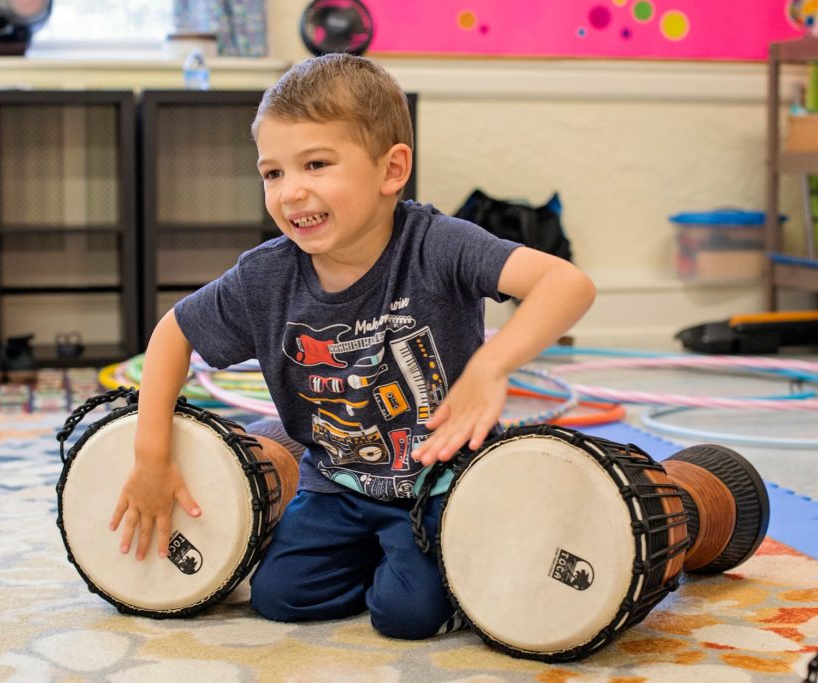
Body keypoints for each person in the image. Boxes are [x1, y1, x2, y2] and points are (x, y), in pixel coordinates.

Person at [110, 53, 596, 640]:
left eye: (316, 164)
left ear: (391, 170)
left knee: (406, 616)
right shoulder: (266, 277)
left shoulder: (438, 245)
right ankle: (382, 556)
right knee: (280, 598)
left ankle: (428, 561)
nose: (291, 193)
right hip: (336, 480)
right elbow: (174, 332)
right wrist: (151, 454)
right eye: (273, 173)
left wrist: (491, 366)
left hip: (440, 483)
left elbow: (567, 284)